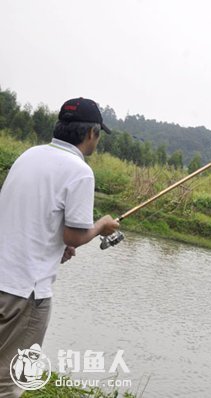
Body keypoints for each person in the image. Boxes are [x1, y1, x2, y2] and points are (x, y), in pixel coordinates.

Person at [0, 98, 120, 396]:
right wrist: (101, 226)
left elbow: (30, 217)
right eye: (98, 134)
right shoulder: (79, 171)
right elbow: (74, 236)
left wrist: (57, 244)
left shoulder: (30, 155)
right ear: (91, 133)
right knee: (9, 381)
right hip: (25, 291)